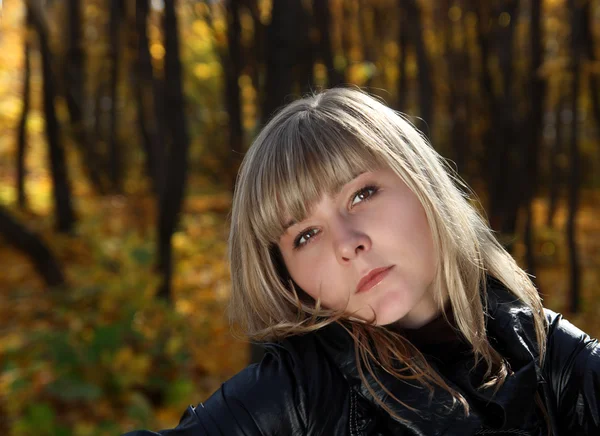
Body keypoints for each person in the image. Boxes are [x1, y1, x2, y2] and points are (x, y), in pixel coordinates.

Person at [124, 88, 599, 435]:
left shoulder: (543, 351)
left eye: (361, 194)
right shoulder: (295, 396)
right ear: (285, 274)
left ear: (422, 183)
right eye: (305, 234)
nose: (346, 244)